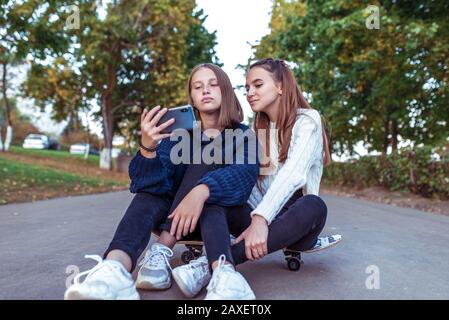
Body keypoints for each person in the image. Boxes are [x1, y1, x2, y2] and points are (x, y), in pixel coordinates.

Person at [64, 63, 259, 300]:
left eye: (212, 85)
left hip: (217, 218)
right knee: (149, 195)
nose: (205, 90)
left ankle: (163, 247)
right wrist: (148, 148)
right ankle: (114, 272)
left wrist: (201, 191)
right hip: (174, 218)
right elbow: (148, 183)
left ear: (226, 91)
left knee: (210, 151)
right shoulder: (177, 134)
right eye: (198, 87)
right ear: (193, 100)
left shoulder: (243, 134)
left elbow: (243, 176)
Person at [172, 58, 342, 298]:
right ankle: (223, 271)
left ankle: (207, 266)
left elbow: (294, 174)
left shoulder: (308, 120)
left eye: (258, 85)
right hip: (256, 221)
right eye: (248, 87)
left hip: (298, 224)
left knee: (314, 205)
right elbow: (248, 182)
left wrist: (261, 220)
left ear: (280, 85)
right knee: (215, 196)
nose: (250, 92)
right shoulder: (254, 132)